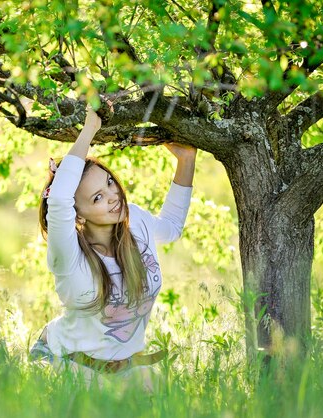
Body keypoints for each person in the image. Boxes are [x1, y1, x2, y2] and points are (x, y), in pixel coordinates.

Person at [29, 105, 197, 391]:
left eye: (109, 183)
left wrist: (187, 160)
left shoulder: (137, 224)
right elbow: (58, 200)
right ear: (78, 213)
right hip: (68, 363)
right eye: (97, 198)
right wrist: (89, 129)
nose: (113, 197)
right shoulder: (68, 255)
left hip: (123, 370)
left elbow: (171, 226)